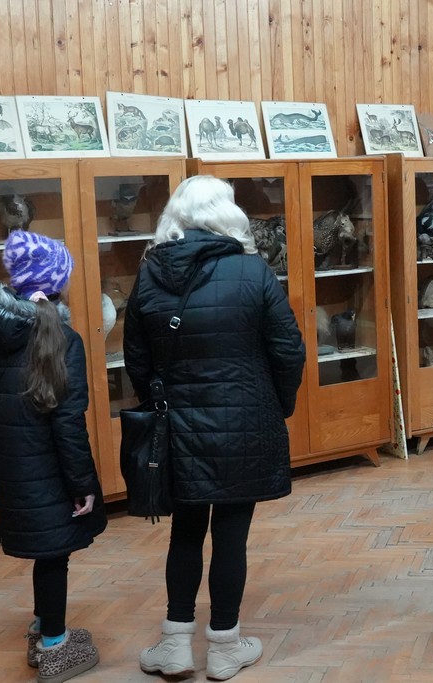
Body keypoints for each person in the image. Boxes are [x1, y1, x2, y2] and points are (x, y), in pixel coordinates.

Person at [124, 175, 305, 680]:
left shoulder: (149, 272)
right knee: (231, 536)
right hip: (244, 423)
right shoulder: (253, 270)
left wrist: (159, 406)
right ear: (228, 214)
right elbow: (288, 350)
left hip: (178, 427)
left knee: (184, 532)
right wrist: (277, 405)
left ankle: (174, 645)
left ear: (176, 215)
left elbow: (136, 357)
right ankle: (225, 647)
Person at [0, 230, 106, 682]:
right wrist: (82, 484)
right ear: (58, 283)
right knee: (54, 554)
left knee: (46, 552)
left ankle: (41, 626)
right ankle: (54, 646)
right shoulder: (64, 338)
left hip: (16, 469)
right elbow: (68, 424)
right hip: (51, 473)